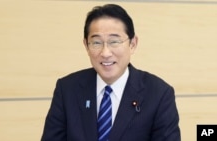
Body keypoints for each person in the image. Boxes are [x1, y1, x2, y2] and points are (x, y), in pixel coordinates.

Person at [41, 4, 181, 141]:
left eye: (114, 41)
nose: (105, 53)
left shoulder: (159, 94)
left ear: (132, 44)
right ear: (86, 45)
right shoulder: (67, 89)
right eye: (96, 43)